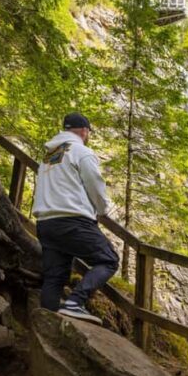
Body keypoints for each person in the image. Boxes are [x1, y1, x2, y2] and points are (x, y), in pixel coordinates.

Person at [33, 112, 119, 323]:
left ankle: (46, 323)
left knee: (55, 276)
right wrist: (102, 209)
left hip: (46, 222)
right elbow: (95, 185)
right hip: (72, 220)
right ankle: (75, 302)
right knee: (108, 260)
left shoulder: (50, 156)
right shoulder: (82, 151)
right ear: (84, 131)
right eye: (88, 132)